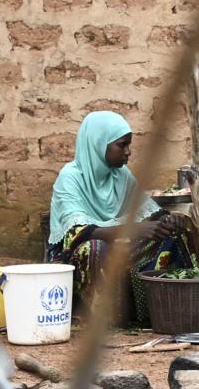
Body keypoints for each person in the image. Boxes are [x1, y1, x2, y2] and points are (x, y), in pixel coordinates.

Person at [45, 109, 136, 301]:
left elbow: (146, 210)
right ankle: (91, 312)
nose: (128, 151)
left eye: (129, 144)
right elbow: (75, 232)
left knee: (173, 238)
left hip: (117, 242)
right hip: (73, 253)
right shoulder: (71, 177)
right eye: (122, 145)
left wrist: (168, 221)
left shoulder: (121, 175)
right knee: (94, 249)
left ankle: (149, 309)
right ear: (98, 144)